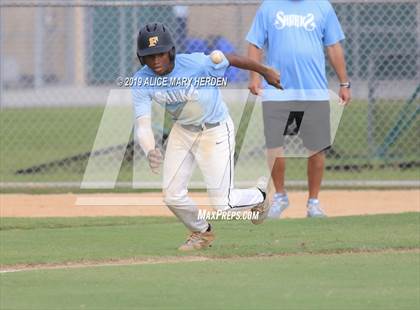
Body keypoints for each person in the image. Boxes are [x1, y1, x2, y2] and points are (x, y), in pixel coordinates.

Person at [132, 23, 281, 251]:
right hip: (182, 132)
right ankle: (202, 232)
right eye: (149, 56)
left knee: (224, 204)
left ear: (170, 51)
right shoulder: (142, 79)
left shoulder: (196, 64)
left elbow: (231, 59)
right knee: (172, 196)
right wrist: (150, 149)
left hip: (215, 130)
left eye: (160, 54)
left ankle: (259, 197)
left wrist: (265, 71)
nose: (155, 61)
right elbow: (142, 124)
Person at [246, 0, 351, 218]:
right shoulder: (269, 7)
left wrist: (344, 83)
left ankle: (313, 203)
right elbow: (255, 44)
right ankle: (280, 197)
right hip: (277, 90)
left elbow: (333, 46)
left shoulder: (322, 6)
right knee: (274, 146)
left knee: (317, 149)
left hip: (313, 91)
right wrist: (254, 77)